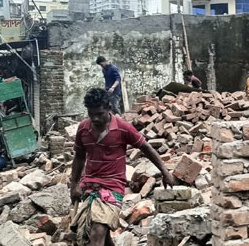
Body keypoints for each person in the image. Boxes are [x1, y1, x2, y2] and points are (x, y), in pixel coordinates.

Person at [70, 88, 175, 246]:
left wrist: (165, 172)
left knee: (97, 231)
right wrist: (74, 185)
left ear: (109, 108)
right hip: (90, 186)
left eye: (99, 113)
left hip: (113, 187)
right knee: (98, 236)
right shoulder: (84, 128)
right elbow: (79, 157)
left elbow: (146, 148)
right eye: (91, 114)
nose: (95, 118)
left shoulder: (122, 128)